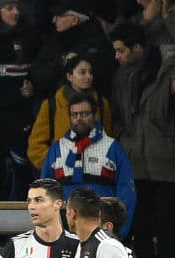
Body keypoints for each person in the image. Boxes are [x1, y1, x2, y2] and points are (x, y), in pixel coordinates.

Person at [109, 21, 175, 258]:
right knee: (141, 224)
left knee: (167, 223)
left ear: (137, 48)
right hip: (135, 161)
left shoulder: (166, 70)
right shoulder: (121, 76)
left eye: (121, 50)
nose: (117, 56)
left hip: (166, 163)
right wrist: (124, 141)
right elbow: (117, 116)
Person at [39, 92, 135, 237]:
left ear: (95, 115)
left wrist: (119, 232)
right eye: (74, 115)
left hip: (102, 228)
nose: (79, 118)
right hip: (64, 229)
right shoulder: (57, 148)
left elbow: (126, 192)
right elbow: (44, 191)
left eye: (84, 114)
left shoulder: (113, 148)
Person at [0, 0, 38, 200]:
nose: (15, 12)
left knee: (21, 162)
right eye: (9, 8)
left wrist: (33, 85)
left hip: (20, 109)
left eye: (16, 7)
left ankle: (25, 209)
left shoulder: (29, 34)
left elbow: (40, 66)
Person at [26, 53, 113, 173]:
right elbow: (35, 146)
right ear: (69, 76)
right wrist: (57, 165)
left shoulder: (102, 104)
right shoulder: (52, 105)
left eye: (90, 72)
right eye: (82, 72)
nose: (88, 76)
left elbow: (108, 141)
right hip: (61, 176)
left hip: (94, 174)